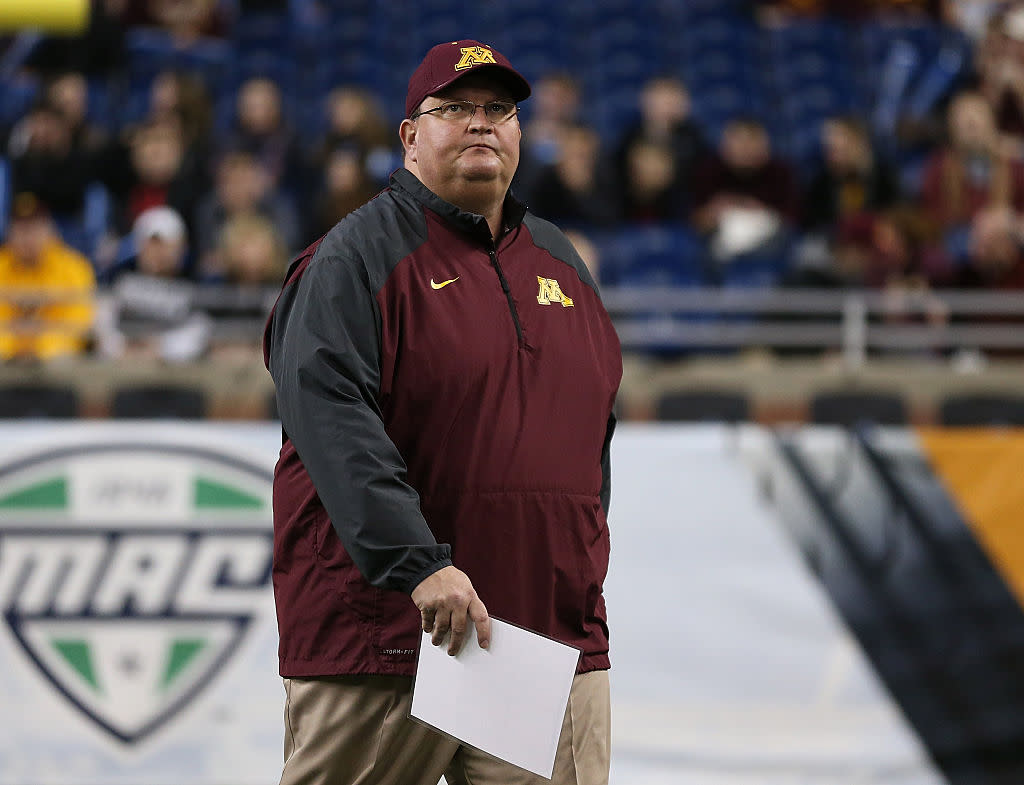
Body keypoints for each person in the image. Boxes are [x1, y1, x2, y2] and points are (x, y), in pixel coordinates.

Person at [263, 39, 621, 785]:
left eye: (499, 110)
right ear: (410, 136)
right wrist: (418, 564)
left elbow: (591, 435)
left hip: (537, 638)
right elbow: (334, 425)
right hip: (395, 634)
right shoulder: (353, 258)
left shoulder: (561, 265)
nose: (481, 124)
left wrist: (577, 569)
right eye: (455, 109)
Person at [0, 193, 96, 362]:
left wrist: (38, 351)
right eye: (21, 229)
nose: (28, 237)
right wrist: (13, 352)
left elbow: (77, 325)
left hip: (57, 367)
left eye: (34, 228)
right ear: (10, 232)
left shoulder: (73, 267)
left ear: (50, 229)